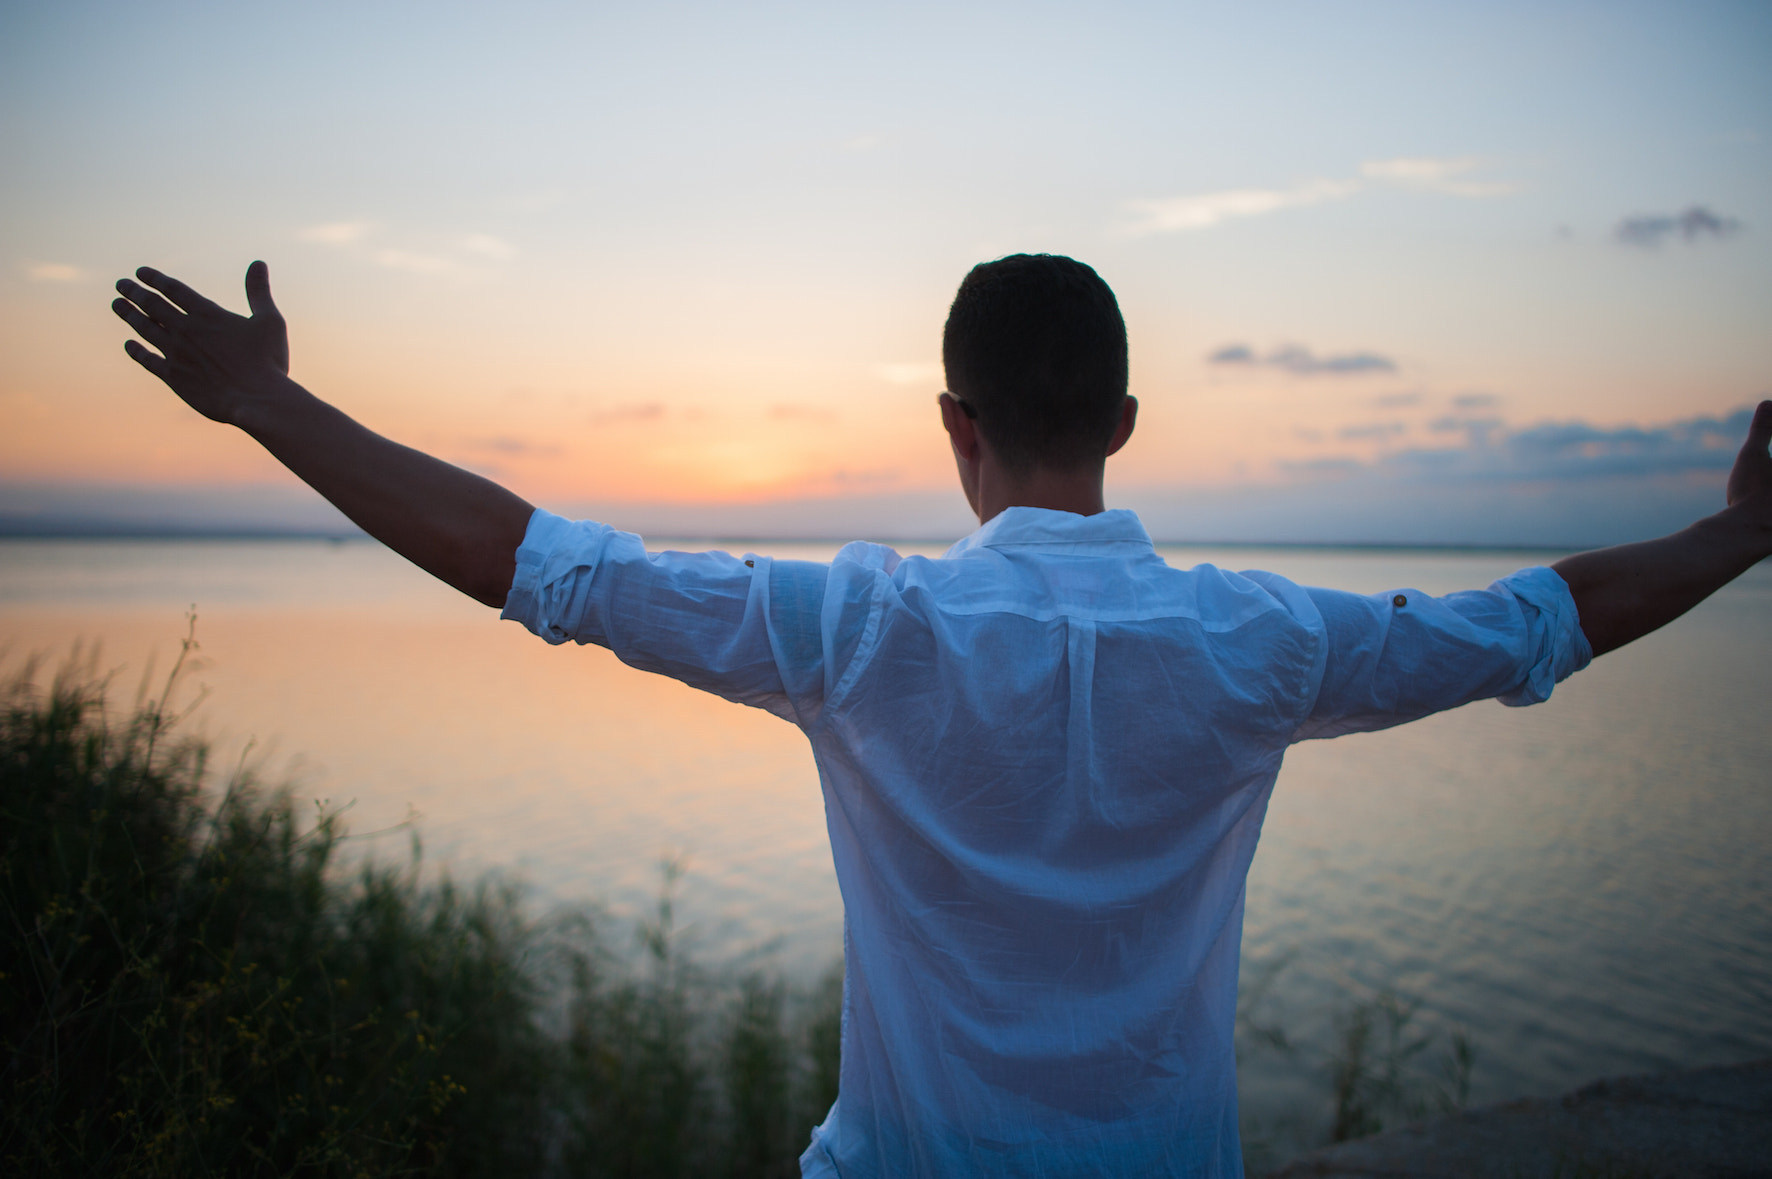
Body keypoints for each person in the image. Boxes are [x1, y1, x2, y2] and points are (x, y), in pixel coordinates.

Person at [113, 255, 1772, 1177]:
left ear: (952, 423)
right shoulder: (1258, 641)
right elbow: (1534, 623)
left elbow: (540, 564)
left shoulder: (859, 626)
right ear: (1124, 417)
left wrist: (273, 406)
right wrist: (1745, 532)